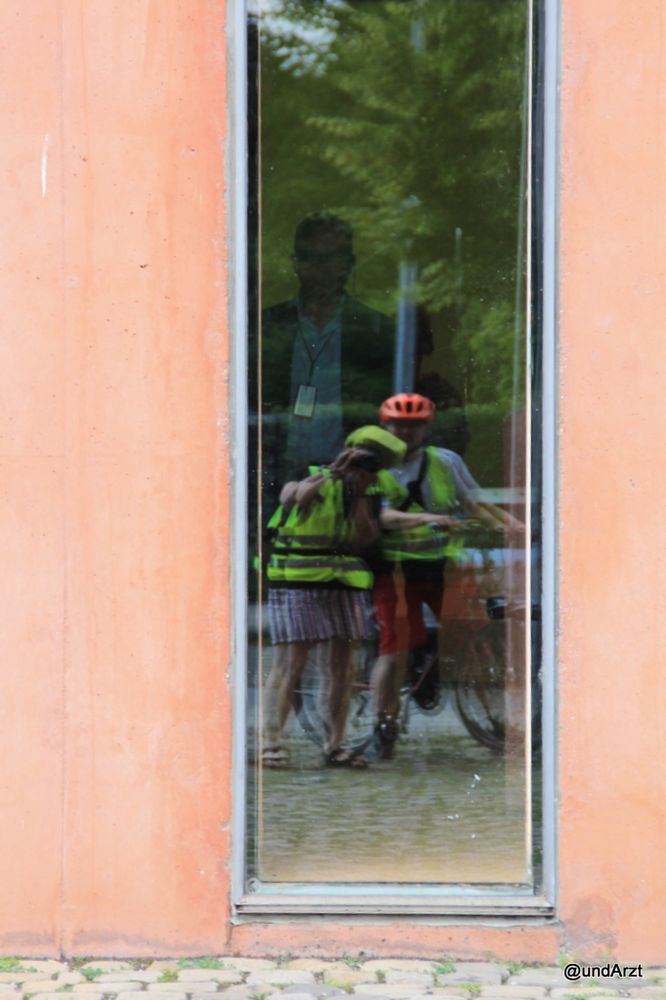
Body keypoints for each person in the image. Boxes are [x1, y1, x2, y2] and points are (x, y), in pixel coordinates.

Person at [371, 392, 524, 759]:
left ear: (426, 427)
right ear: (385, 426)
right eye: (400, 425)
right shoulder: (374, 467)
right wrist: (425, 519)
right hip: (397, 570)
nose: (407, 431)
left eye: (415, 425)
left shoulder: (445, 461)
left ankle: (490, 715)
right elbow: (381, 516)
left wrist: (513, 525)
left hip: (443, 565)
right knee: (396, 648)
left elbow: (475, 503)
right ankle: (382, 723)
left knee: (474, 634)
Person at [261, 426, 406, 769]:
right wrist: (333, 476)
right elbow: (292, 499)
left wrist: (357, 495)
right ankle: (272, 743)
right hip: (299, 581)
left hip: (345, 585)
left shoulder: (367, 491)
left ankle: (334, 746)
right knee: (290, 664)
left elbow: (366, 538)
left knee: (341, 668)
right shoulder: (310, 474)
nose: (370, 474)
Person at [259, 213, 395, 493]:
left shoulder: (377, 329)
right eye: (311, 257)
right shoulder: (266, 326)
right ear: (295, 262)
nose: (321, 268)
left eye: (332, 258)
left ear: (349, 264)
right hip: (278, 473)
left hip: (351, 474)